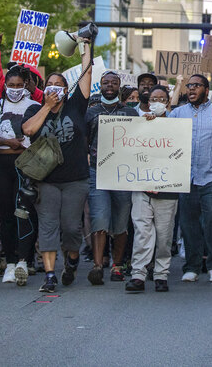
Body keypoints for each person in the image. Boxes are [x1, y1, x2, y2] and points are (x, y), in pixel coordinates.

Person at [22, 42, 93, 294]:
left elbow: (86, 74)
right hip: (46, 181)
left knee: (71, 227)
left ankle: (71, 259)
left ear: (66, 89)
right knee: (48, 226)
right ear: (44, 89)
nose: (54, 88)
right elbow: (29, 130)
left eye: (59, 85)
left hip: (75, 180)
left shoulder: (76, 105)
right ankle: (50, 274)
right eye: (50, 84)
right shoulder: (34, 109)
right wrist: (46, 107)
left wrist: (86, 47)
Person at [170, 73, 212, 284]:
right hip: (186, 177)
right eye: (189, 86)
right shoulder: (177, 114)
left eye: (196, 86)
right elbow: (163, 137)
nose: (191, 89)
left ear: (206, 91)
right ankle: (192, 266)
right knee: (189, 224)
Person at [0, 64, 39, 286]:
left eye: (18, 85)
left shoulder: (34, 106)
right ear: (4, 86)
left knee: (25, 212)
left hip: (25, 163)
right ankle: (10, 263)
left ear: (25, 86)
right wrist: (4, 141)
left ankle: (24, 260)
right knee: (5, 214)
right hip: (2, 163)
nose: (14, 89)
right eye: (10, 85)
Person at [85, 69, 139, 285]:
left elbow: (139, 141)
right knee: (99, 218)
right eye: (105, 83)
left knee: (120, 221)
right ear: (100, 85)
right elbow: (84, 141)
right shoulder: (91, 112)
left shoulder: (130, 113)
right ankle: (98, 266)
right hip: (97, 172)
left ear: (119, 87)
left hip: (123, 174)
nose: (109, 86)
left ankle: (117, 265)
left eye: (113, 83)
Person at [125, 85, 180, 292]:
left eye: (162, 98)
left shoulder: (177, 126)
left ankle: (161, 274)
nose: (157, 101)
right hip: (141, 186)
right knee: (142, 232)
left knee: (164, 235)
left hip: (167, 188)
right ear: (148, 103)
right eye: (153, 98)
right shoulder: (138, 125)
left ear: (167, 102)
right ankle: (138, 274)